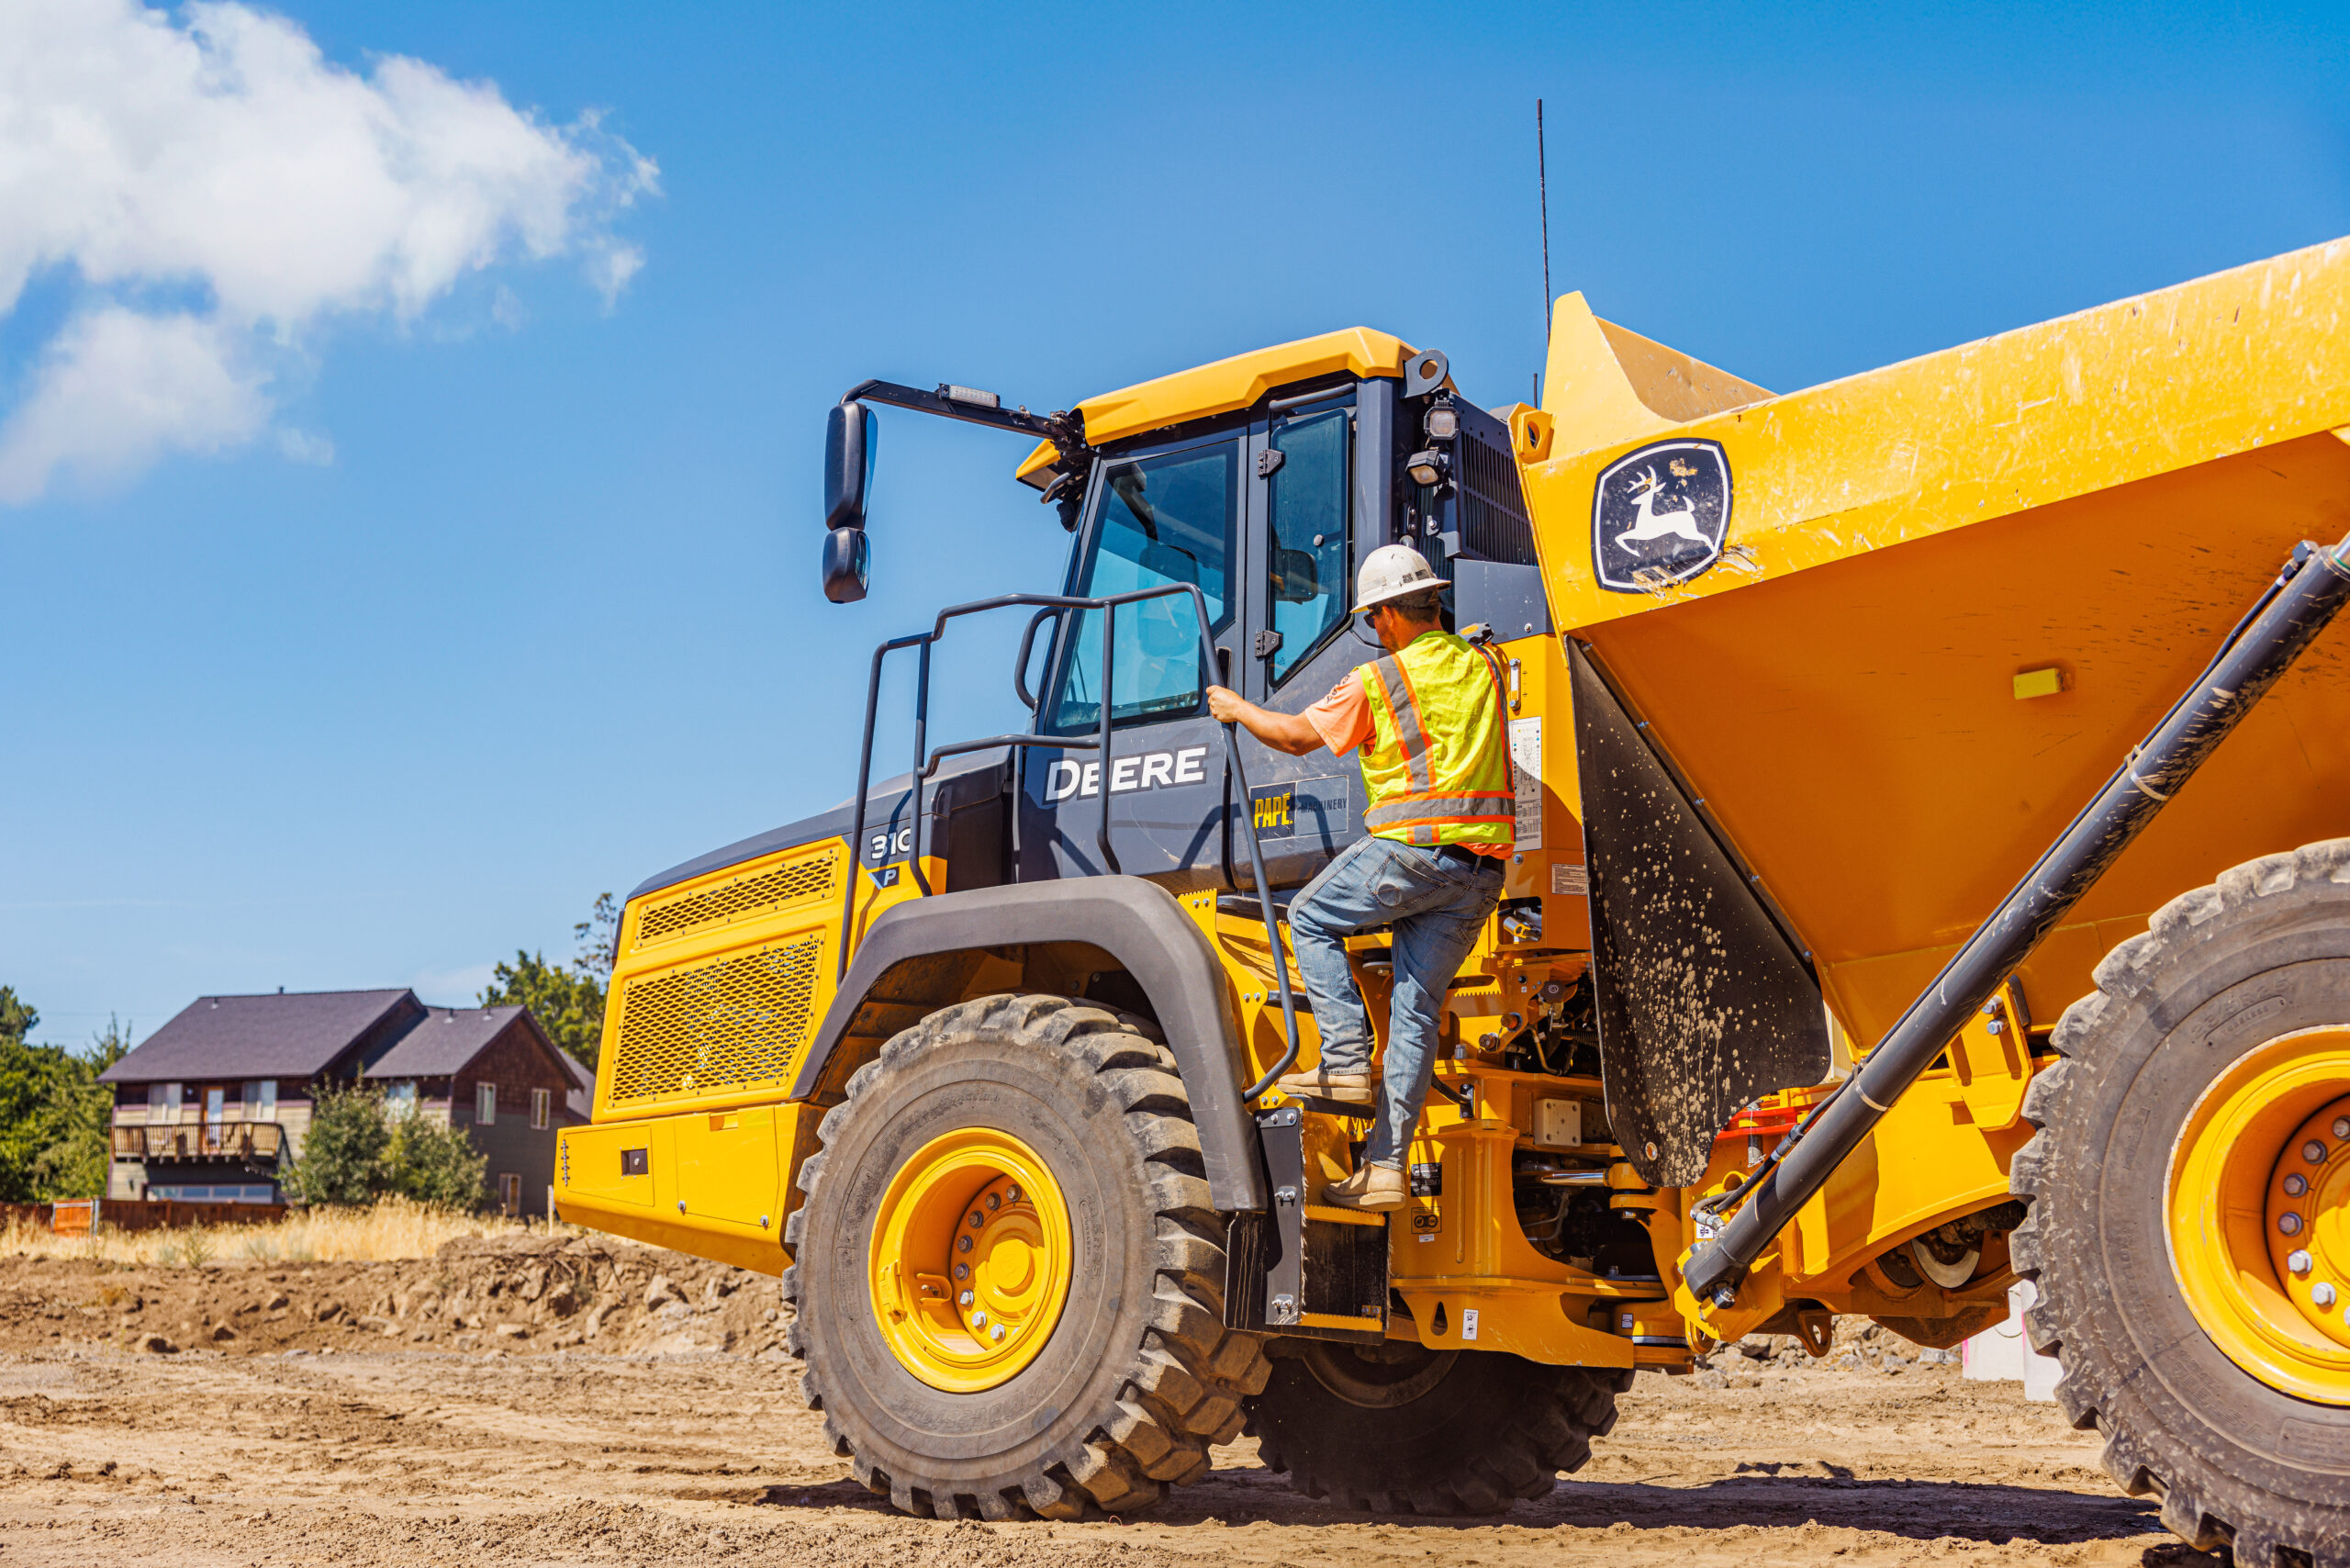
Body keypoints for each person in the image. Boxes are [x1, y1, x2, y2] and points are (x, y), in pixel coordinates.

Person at [1204, 544, 1514, 1212]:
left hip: (1412, 853)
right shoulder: (1483, 665)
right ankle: (1384, 1168)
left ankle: (1343, 1060)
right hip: (1482, 872)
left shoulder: (1380, 680)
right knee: (1415, 1012)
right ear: (1432, 602)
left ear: (1384, 617)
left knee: (1311, 915)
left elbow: (1290, 737)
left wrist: (1235, 708)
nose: (1374, 631)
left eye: (1373, 620)